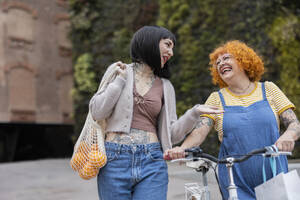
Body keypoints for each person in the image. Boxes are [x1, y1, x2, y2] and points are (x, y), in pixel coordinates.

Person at [89, 26, 223, 200]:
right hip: (115, 159)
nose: (171, 52)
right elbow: (97, 111)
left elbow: (172, 134)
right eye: (167, 45)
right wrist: (119, 82)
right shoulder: (119, 71)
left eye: (172, 47)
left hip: (151, 160)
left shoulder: (166, 87)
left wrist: (194, 112)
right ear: (150, 41)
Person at [164, 40, 300, 199]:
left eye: (227, 58)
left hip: (275, 177)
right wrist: (182, 148)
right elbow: (200, 131)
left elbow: (294, 124)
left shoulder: (269, 89)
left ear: (243, 60)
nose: (221, 63)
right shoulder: (216, 99)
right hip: (235, 181)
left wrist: (288, 135)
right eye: (217, 62)